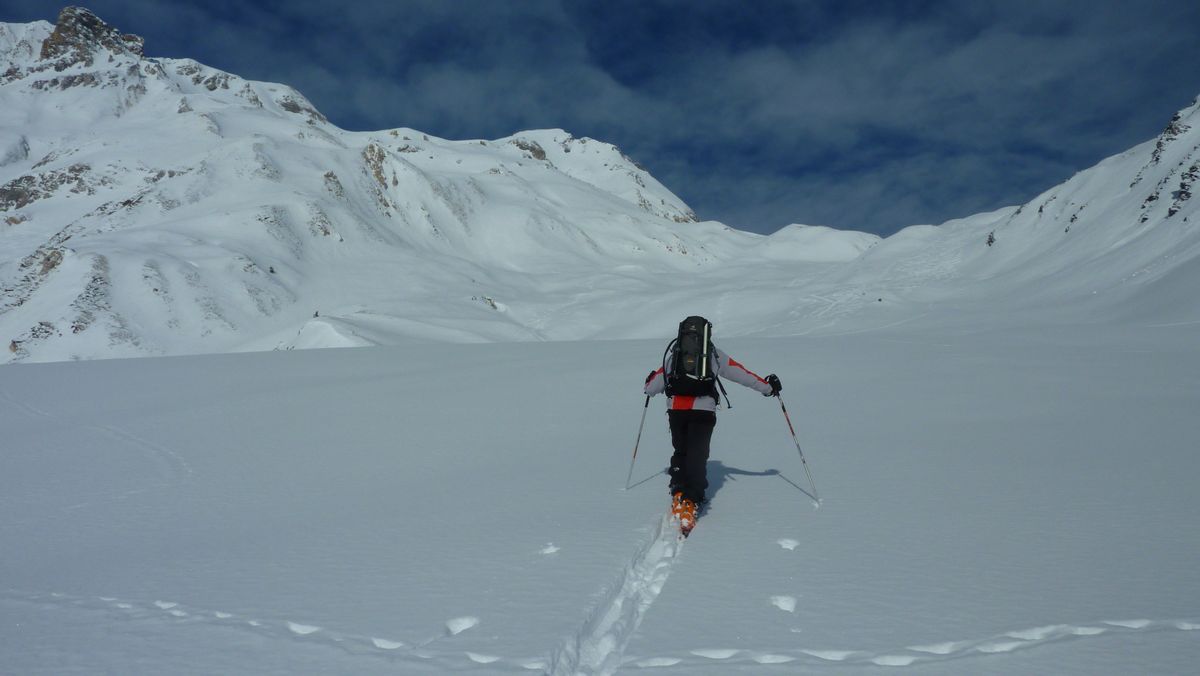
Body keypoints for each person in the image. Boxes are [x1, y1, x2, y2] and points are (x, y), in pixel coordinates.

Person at [644, 316, 781, 532]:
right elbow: (741, 374)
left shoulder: (674, 355)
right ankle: (692, 499)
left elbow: (652, 388)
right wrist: (768, 389)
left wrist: (649, 383)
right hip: (703, 410)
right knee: (698, 455)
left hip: (676, 410)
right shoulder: (714, 355)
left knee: (681, 450)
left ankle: (679, 490)